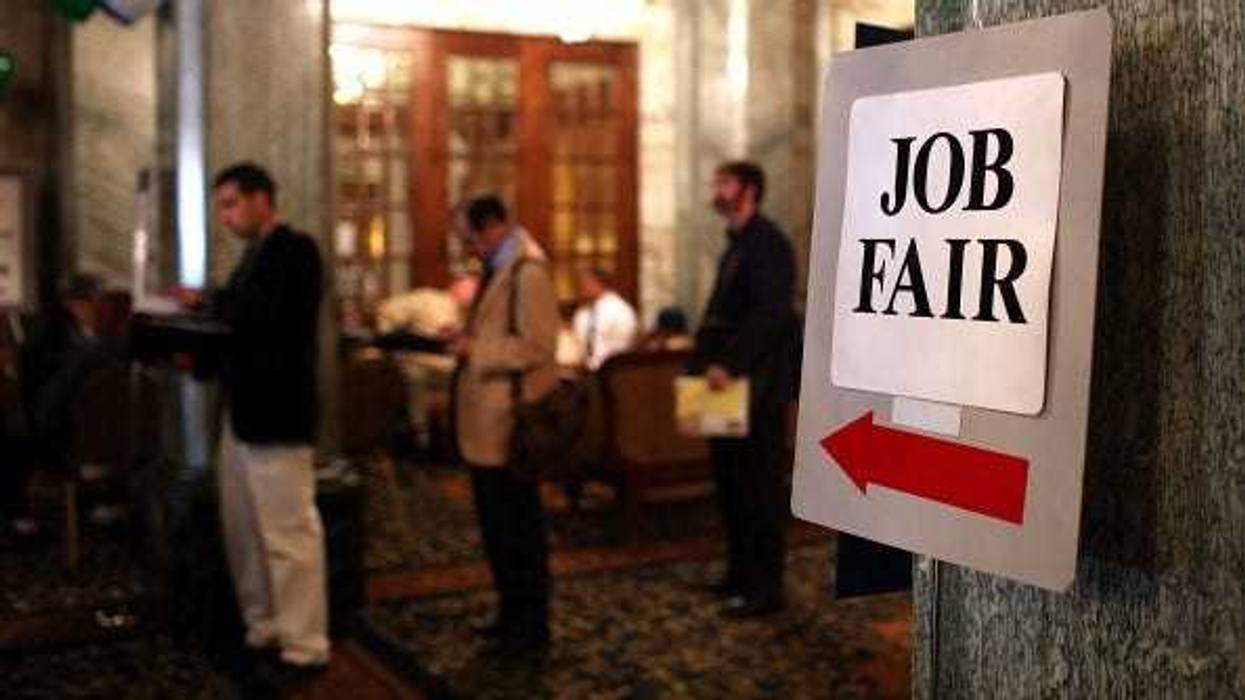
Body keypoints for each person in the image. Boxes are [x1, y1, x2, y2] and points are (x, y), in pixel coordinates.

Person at [178, 163, 329, 678]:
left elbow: (267, 321)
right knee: (244, 530)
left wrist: (209, 304)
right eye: (221, 206)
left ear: (263, 199)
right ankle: (264, 625)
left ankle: (306, 644)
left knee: (288, 534)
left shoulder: (295, 250)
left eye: (231, 203)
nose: (225, 216)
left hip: (277, 414)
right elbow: (239, 329)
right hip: (244, 414)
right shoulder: (253, 257)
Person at [449, 195, 561, 654]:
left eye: (468, 236)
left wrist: (476, 351)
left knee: (519, 532)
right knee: (497, 531)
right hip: (485, 426)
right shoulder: (498, 267)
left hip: (508, 426)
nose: (465, 246)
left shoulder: (527, 272)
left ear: (491, 227)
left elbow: (538, 345)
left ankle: (530, 628)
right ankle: (509, 614)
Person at [691, 161, 799, 618]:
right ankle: (738, 573)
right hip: (721, 383)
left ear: (749, 190)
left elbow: (771, 318)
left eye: (725, 183)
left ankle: (764, 588)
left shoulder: (768, 243)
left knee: (759, 490)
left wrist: (730, 365)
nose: (716, 189)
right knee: (729, 484)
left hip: (754, 387)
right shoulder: (735, 243)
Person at [571, 266, 637, 371]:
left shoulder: (620, 310)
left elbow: (622, 346)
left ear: (598, 282)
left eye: (585, 282)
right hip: (585, 372)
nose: (581, 287)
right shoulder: (582, 313)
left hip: (612, 371)